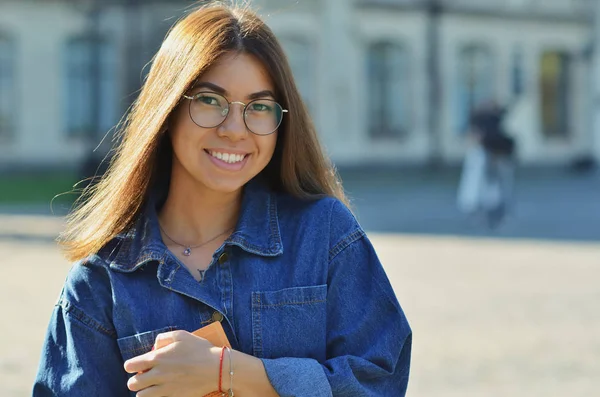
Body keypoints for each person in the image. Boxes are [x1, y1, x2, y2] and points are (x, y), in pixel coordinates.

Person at [33, 2, 411, 396]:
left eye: (259, 107)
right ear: (168, 109)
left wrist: (228, 372)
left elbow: (378, 382)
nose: (235, 129)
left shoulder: (325, 236)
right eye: (210, 101)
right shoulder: (103, 279)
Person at [457, 101, 516, 228]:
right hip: (489, 156)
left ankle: (492, 213)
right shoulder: (485, 121)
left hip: (495, 156)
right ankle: (486, 213)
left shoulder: (489, 121)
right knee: (485, 187)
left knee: (493, 188)